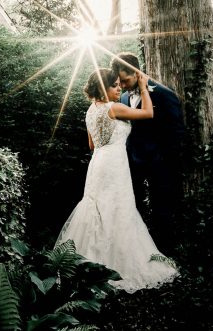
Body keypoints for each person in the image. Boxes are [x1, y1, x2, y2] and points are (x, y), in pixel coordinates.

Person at [55, 68, 178, 293]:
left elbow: (92, 145)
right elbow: (149, 113)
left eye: (119, 85)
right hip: (114, 164)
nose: (119, 88)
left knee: (97, 209)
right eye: (114, 86)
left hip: (98, 163)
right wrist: (143, 88)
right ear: (103, 88)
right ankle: (117, 264)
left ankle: (88, 263)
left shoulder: (90, 111)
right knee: (118, 209)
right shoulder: (115, 108)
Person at [110, 52, 185, 254]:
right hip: (133, 162)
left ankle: (165, 252)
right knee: (133, 206)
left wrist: (163, 157)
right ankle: (140, 252)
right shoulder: (124, 98)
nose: (123, 86)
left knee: (162, 208)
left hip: (159, 163)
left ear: (136, 72)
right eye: (119, 82)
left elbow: (176, 131)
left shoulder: (163, 94)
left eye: (125, 80)